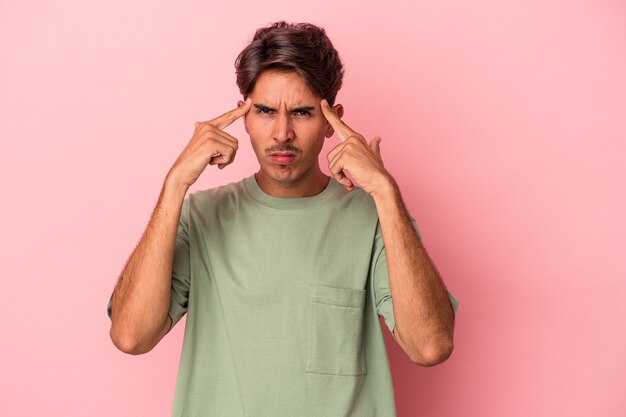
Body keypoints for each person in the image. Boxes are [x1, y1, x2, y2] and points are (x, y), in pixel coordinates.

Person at [107, 21, 458, 417]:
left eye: (303, 112)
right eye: (265, 111)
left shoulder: (375, 218)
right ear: (244, 115)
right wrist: (174, 186)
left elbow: (430, 346)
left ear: (331, 121)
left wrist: (385, 191)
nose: (282, 132)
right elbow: (131, 336)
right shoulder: (202, 215)